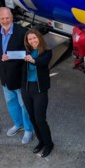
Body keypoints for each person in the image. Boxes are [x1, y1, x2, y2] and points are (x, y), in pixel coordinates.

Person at [0, 6, 34, 145]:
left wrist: (11, 56)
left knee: (24, 105)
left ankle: (28, 129)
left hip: (19, 77)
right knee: (11, 103)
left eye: (7, 18)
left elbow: (28, 53)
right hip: (5, 77)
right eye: (2, 18)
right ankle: (18, 124)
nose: (5, 21)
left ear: (12, 18)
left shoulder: (22, 32)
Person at [21, 28, 54, 158]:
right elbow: (17, 64)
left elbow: (42, 62)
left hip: (40, 90)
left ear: (39, 38)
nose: (33, 41)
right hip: (26, 89)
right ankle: (41, 141)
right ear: (27, 42)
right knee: (32, 118)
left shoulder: (46, 52)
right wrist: (8, 57)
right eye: (30, 39)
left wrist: (33, 60)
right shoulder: (25, 52)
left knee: (40, 119)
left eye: (34, 38)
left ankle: (49, 144)